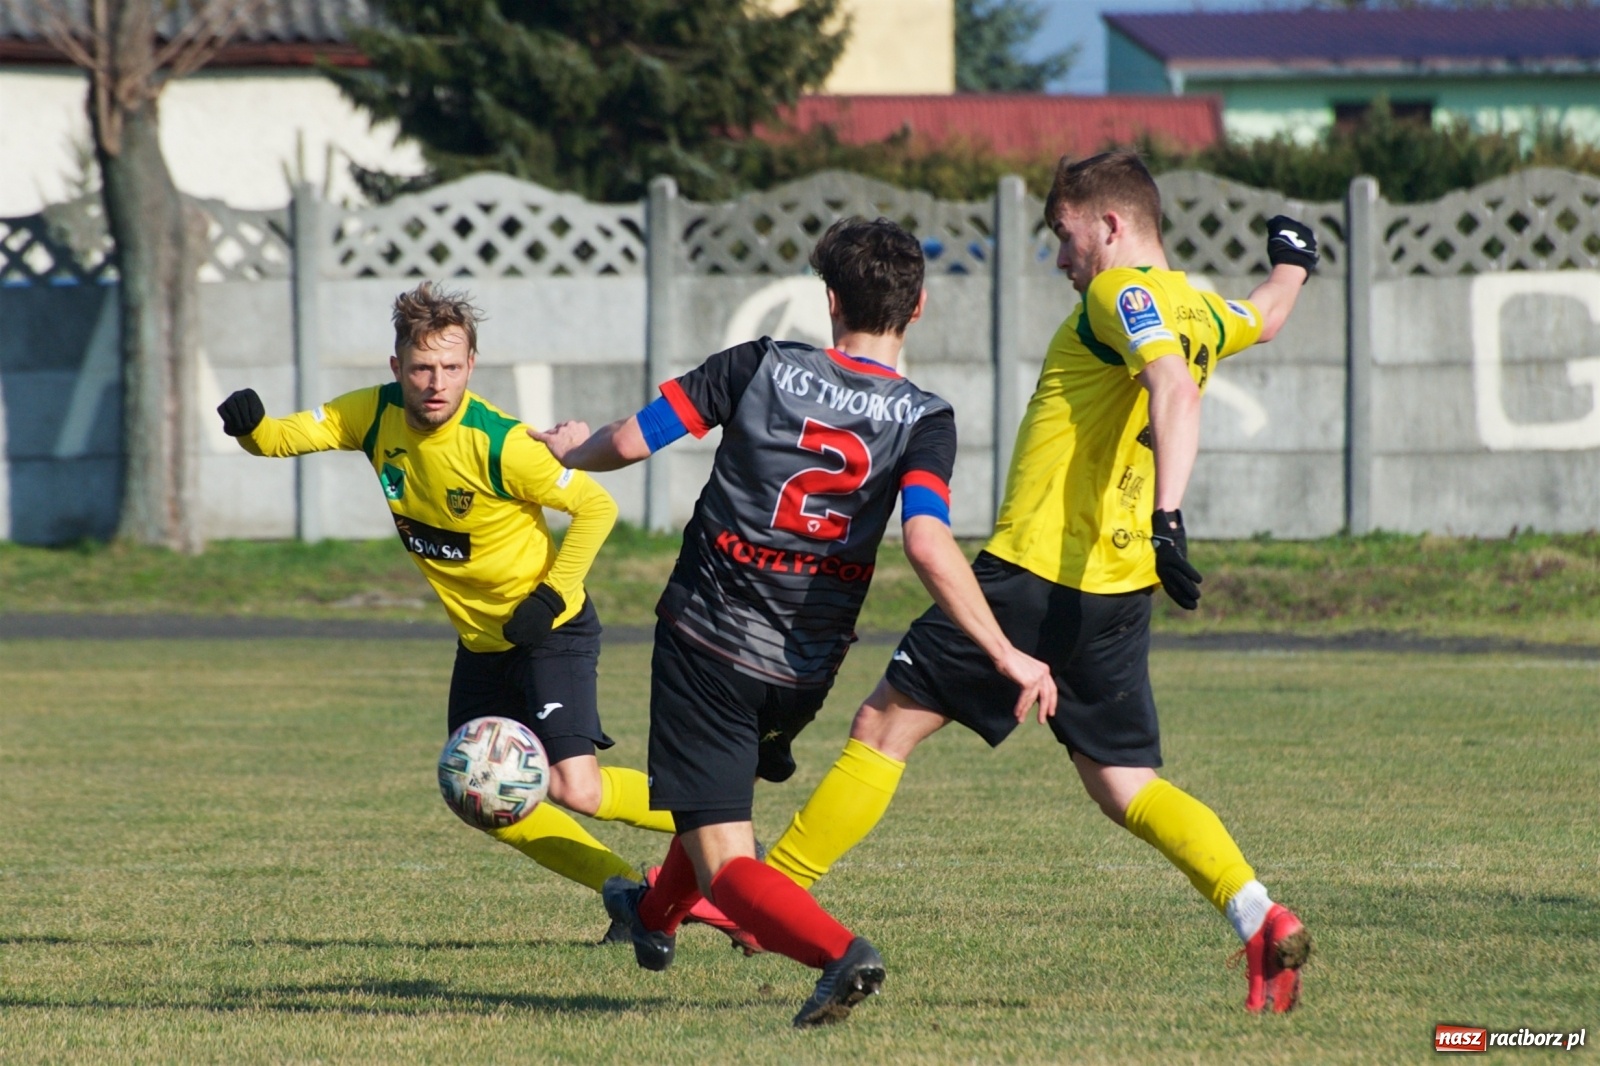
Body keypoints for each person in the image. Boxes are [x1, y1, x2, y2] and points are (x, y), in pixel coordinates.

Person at [760, 151, 1320, 1013]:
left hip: (1028, 577)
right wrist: (1294, 258)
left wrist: (1172, 514)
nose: (1061, 260)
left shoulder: (1119, 293)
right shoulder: (1207, 310)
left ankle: (763, 897)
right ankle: (1258, 915)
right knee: (1125, 785)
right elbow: (1270, 315)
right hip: (1118, 592)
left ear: (1111, 226)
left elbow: (1171, 387)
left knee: (882, 728)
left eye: (1064, 237)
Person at [533, 217, 1056, 1028]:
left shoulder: (757, 365)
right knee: (710, 797)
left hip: (708, 639)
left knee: (724, 862)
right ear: (915, 312)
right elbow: (925, 538)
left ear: (830, 298)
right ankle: (651, 918)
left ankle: (839, 954)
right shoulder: (925, 418)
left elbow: (633, 442)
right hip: (805, 668)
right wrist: (1005, 652)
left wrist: (573, 448)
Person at [215, 281, 689, 932]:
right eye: (421, 368)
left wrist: (549, 597)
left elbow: (595, 507)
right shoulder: (373, 416)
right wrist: (251, 428)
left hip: (549, 629)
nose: (436, 382)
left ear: (470, 366)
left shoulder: (499, 442)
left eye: (450, 367)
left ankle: (716, 822)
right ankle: (625, 892)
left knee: (577, 787)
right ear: (396, 369)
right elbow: (283, 438)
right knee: (480, 794)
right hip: (481, 645)